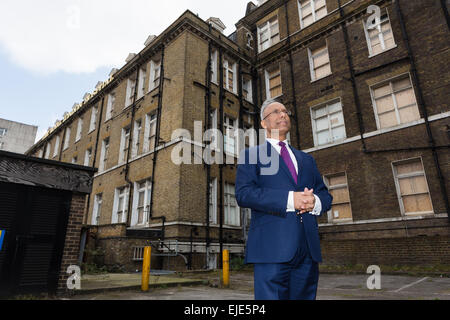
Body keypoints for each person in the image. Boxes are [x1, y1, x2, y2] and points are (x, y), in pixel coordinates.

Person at [235, 98, 332, 300]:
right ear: (263, 123)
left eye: (285, 111)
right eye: (276, 112)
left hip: (307, 249)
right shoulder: (251, 155)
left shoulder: (307, 159)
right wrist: (290, 199)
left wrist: (315, 202)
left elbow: (325, 195)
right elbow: (244, 194)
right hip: (271, 248)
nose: (283, 114)